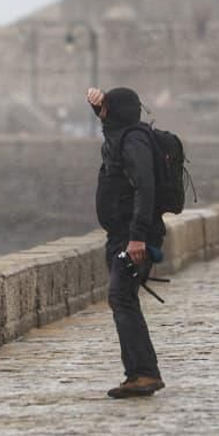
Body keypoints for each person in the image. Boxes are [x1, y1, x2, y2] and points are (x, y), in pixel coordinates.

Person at [87, 86, 166, 398]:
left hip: (133, 237)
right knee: (123, 299)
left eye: (106, 108)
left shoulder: (133, 141)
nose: (103, 114)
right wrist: (98, 109)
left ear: (116, 111)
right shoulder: (122, 136)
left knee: (121, 298)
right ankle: (140, 373)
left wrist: (137, 237)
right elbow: (111, 133)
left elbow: (145, 187)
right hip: (122, 235)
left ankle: (144, 373)